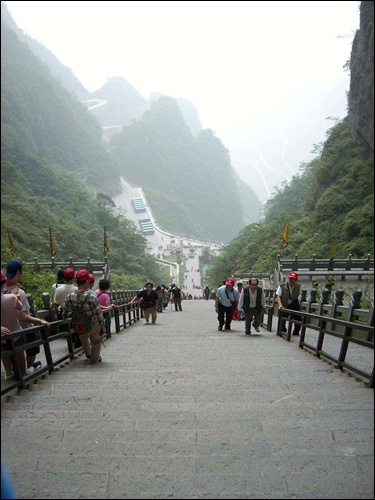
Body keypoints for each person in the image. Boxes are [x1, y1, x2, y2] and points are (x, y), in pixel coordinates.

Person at [4, 259, 49, 374]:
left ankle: (10, 372)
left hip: (5, 329)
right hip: (23, 328)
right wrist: (39, 321)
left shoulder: (2, 290)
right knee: (31, 350)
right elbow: (22, 316)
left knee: (8, 351)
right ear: (19, 272)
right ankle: (25, 371)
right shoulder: (19, 293)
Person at [63, 269, 106, 363]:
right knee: (96, 341)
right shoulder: (91, 296)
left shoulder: (69, 297)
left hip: (79, 323)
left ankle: (88, 353)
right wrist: (102, 325)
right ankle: (94, 359)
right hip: (92, 323)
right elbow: (98, 312)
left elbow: (65, 313)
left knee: (83, 337)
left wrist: (66, 318)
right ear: (87, 281)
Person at [1, 270, 26, 380]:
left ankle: (8, 373)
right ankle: (21, 374)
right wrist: (14, 295)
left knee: (5, 354)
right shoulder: (11, 298)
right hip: (16, 332)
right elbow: (20, 307)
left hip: (2, 336)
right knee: (20, 354)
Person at [276, 271, 302, 336]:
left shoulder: (298, 287)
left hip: (294, 304)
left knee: (298, 319)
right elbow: (278, 295)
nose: (291, 280)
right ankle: (282, 329)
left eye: (293, 278)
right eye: (290, 278)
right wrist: (280, 305)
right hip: (284, 304)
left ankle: (296, 332)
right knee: (282, 318)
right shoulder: (282, 286)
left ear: (296, 279)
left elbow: (300, 296)